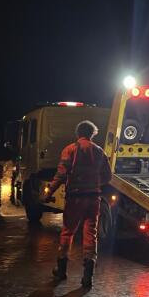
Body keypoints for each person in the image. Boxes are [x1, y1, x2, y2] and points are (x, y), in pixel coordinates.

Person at [41, 120, 112, 288]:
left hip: (75, 198)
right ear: (92, 134)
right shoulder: (99, 151)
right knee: (91, 234)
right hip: (93, 198)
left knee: (68, 232)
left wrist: (49, 193)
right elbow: (108, 176)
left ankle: (61, 270)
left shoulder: (70, 149)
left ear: (78, 133)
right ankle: (88, 275)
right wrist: (95, 184)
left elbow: (61, 175)